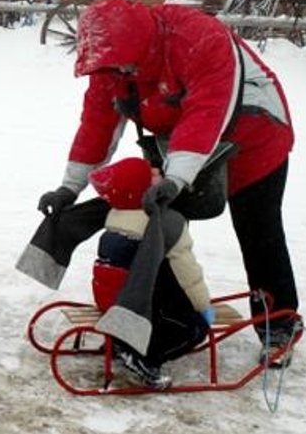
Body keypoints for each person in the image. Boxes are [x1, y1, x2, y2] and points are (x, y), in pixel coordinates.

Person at [36, 0, 300, 362]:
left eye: (126, 68)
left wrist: (175, 178)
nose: (121, 76)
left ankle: (279, 326)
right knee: (161, 227)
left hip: (256, 138)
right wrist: (70, 186)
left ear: (140, 47)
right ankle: (161, 313)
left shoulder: (198, 39)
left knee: (259, 233)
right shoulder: (111, 62)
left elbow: (205, 114)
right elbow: (97, 124)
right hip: (181, 145)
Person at [87, 157, 213, 389]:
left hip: (114, 305)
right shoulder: (168, 223)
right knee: (193, 329)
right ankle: (146, 359)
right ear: (142, 190)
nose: (161, 175)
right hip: (149, 309)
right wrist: (202, 307)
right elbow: (188, 273)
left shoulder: (114, 216)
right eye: (154, 176)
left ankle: (122, 343)